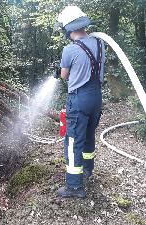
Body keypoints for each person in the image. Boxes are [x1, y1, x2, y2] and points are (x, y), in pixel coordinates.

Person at [55, 6, 105, 198]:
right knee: (89, 134)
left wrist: (59, 71)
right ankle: (87, 169)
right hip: (96, 98)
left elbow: (65, 76)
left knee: (73, 140)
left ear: (68, 29)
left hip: (79, 99)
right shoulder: (100, 44)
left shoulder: (70, 49)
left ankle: (74, 186)